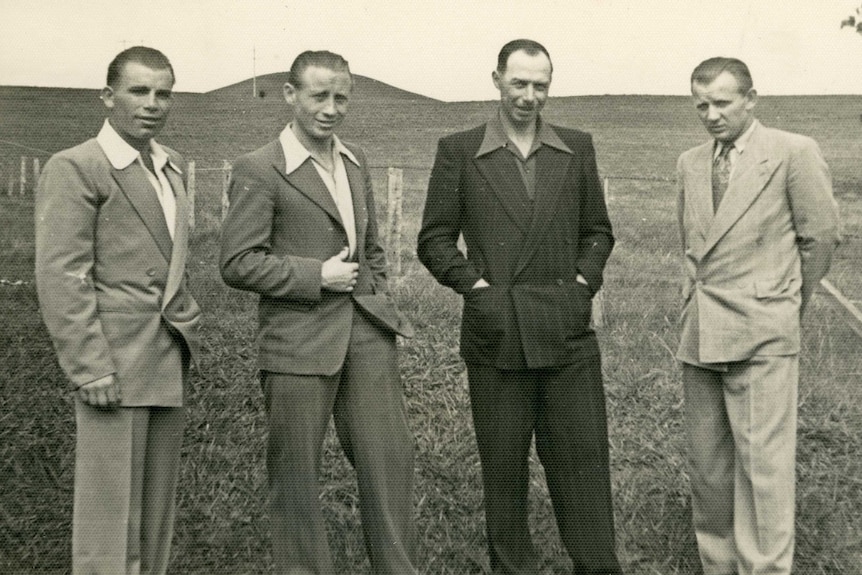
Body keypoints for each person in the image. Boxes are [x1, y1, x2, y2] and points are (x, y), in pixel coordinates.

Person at [418, 39, 621, 574]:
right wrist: (477, 288)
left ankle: (598, 566)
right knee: (504, 474)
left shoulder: (576, 146)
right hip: (498, 336)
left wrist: (582, 284)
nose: (530, 96)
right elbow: (435, 239)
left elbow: (598, 231)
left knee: (584, 468)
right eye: (519, 84)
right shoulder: (459, 150)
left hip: (567, 334)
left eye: (541, 85)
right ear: (496, 80)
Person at [219, 50, 418, 574]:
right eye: (318, 96)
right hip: (298, 343)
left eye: (341, 97)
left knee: (389, 463)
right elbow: (237, 263)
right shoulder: (259, 169)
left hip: (367, 335)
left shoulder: (356, 162)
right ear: (290, 95)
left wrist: (377, 299)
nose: (331, 109)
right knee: (297, 477)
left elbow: (370, 245)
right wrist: (315, 276)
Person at [34, 46, 201, 574]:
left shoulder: (169, 166)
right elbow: (62, 276)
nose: (153, 104)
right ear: (108, 97)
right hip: (114, 363)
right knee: (109, 522)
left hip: (166, 358)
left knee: (153, 519)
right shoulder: (78, 167)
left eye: (164, 93)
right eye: (139, 90)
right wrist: (90, 367)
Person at [676, 57, 840, 575]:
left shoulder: (793, 152)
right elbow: (691, 245)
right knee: (709, 467)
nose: (712, 115)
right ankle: (718, 564)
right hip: (701, 333)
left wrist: (784, 304)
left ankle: (765, 568)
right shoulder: (690, 162)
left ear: (751, 98)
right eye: (701, 105)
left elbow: (820, 238)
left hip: (764, 334)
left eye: (723, 102)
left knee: (762, 469)